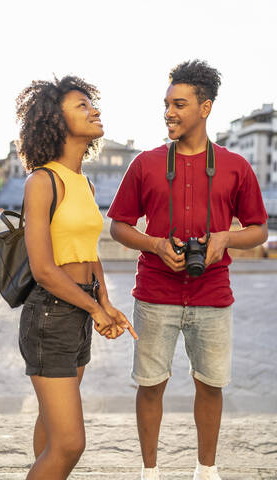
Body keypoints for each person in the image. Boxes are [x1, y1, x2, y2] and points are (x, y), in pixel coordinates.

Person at [107, 59, 268, 480]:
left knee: (211, 385)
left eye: (179, 104)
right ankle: (149, 471)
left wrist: (225, 238)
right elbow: (119, 225)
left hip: (213, 293)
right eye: (166, 104)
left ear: (206, 107)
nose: (169, 113)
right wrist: (155, 244)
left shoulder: (236, 165)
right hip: (155, 291)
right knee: (150, 384)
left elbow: (259, 230)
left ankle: (206, 470)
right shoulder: (144, 163)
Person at [16, 75, 137, 480]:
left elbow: (89, 252)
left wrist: (104, 304)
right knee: (70, 444)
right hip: (50, 315)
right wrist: (93, 307)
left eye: (92, 104)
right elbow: (44, 269)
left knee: (52, 430)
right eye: (82, 105)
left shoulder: (82, 181)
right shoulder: (42, 181)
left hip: (77, 310)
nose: (94, 110)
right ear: (55, 120)